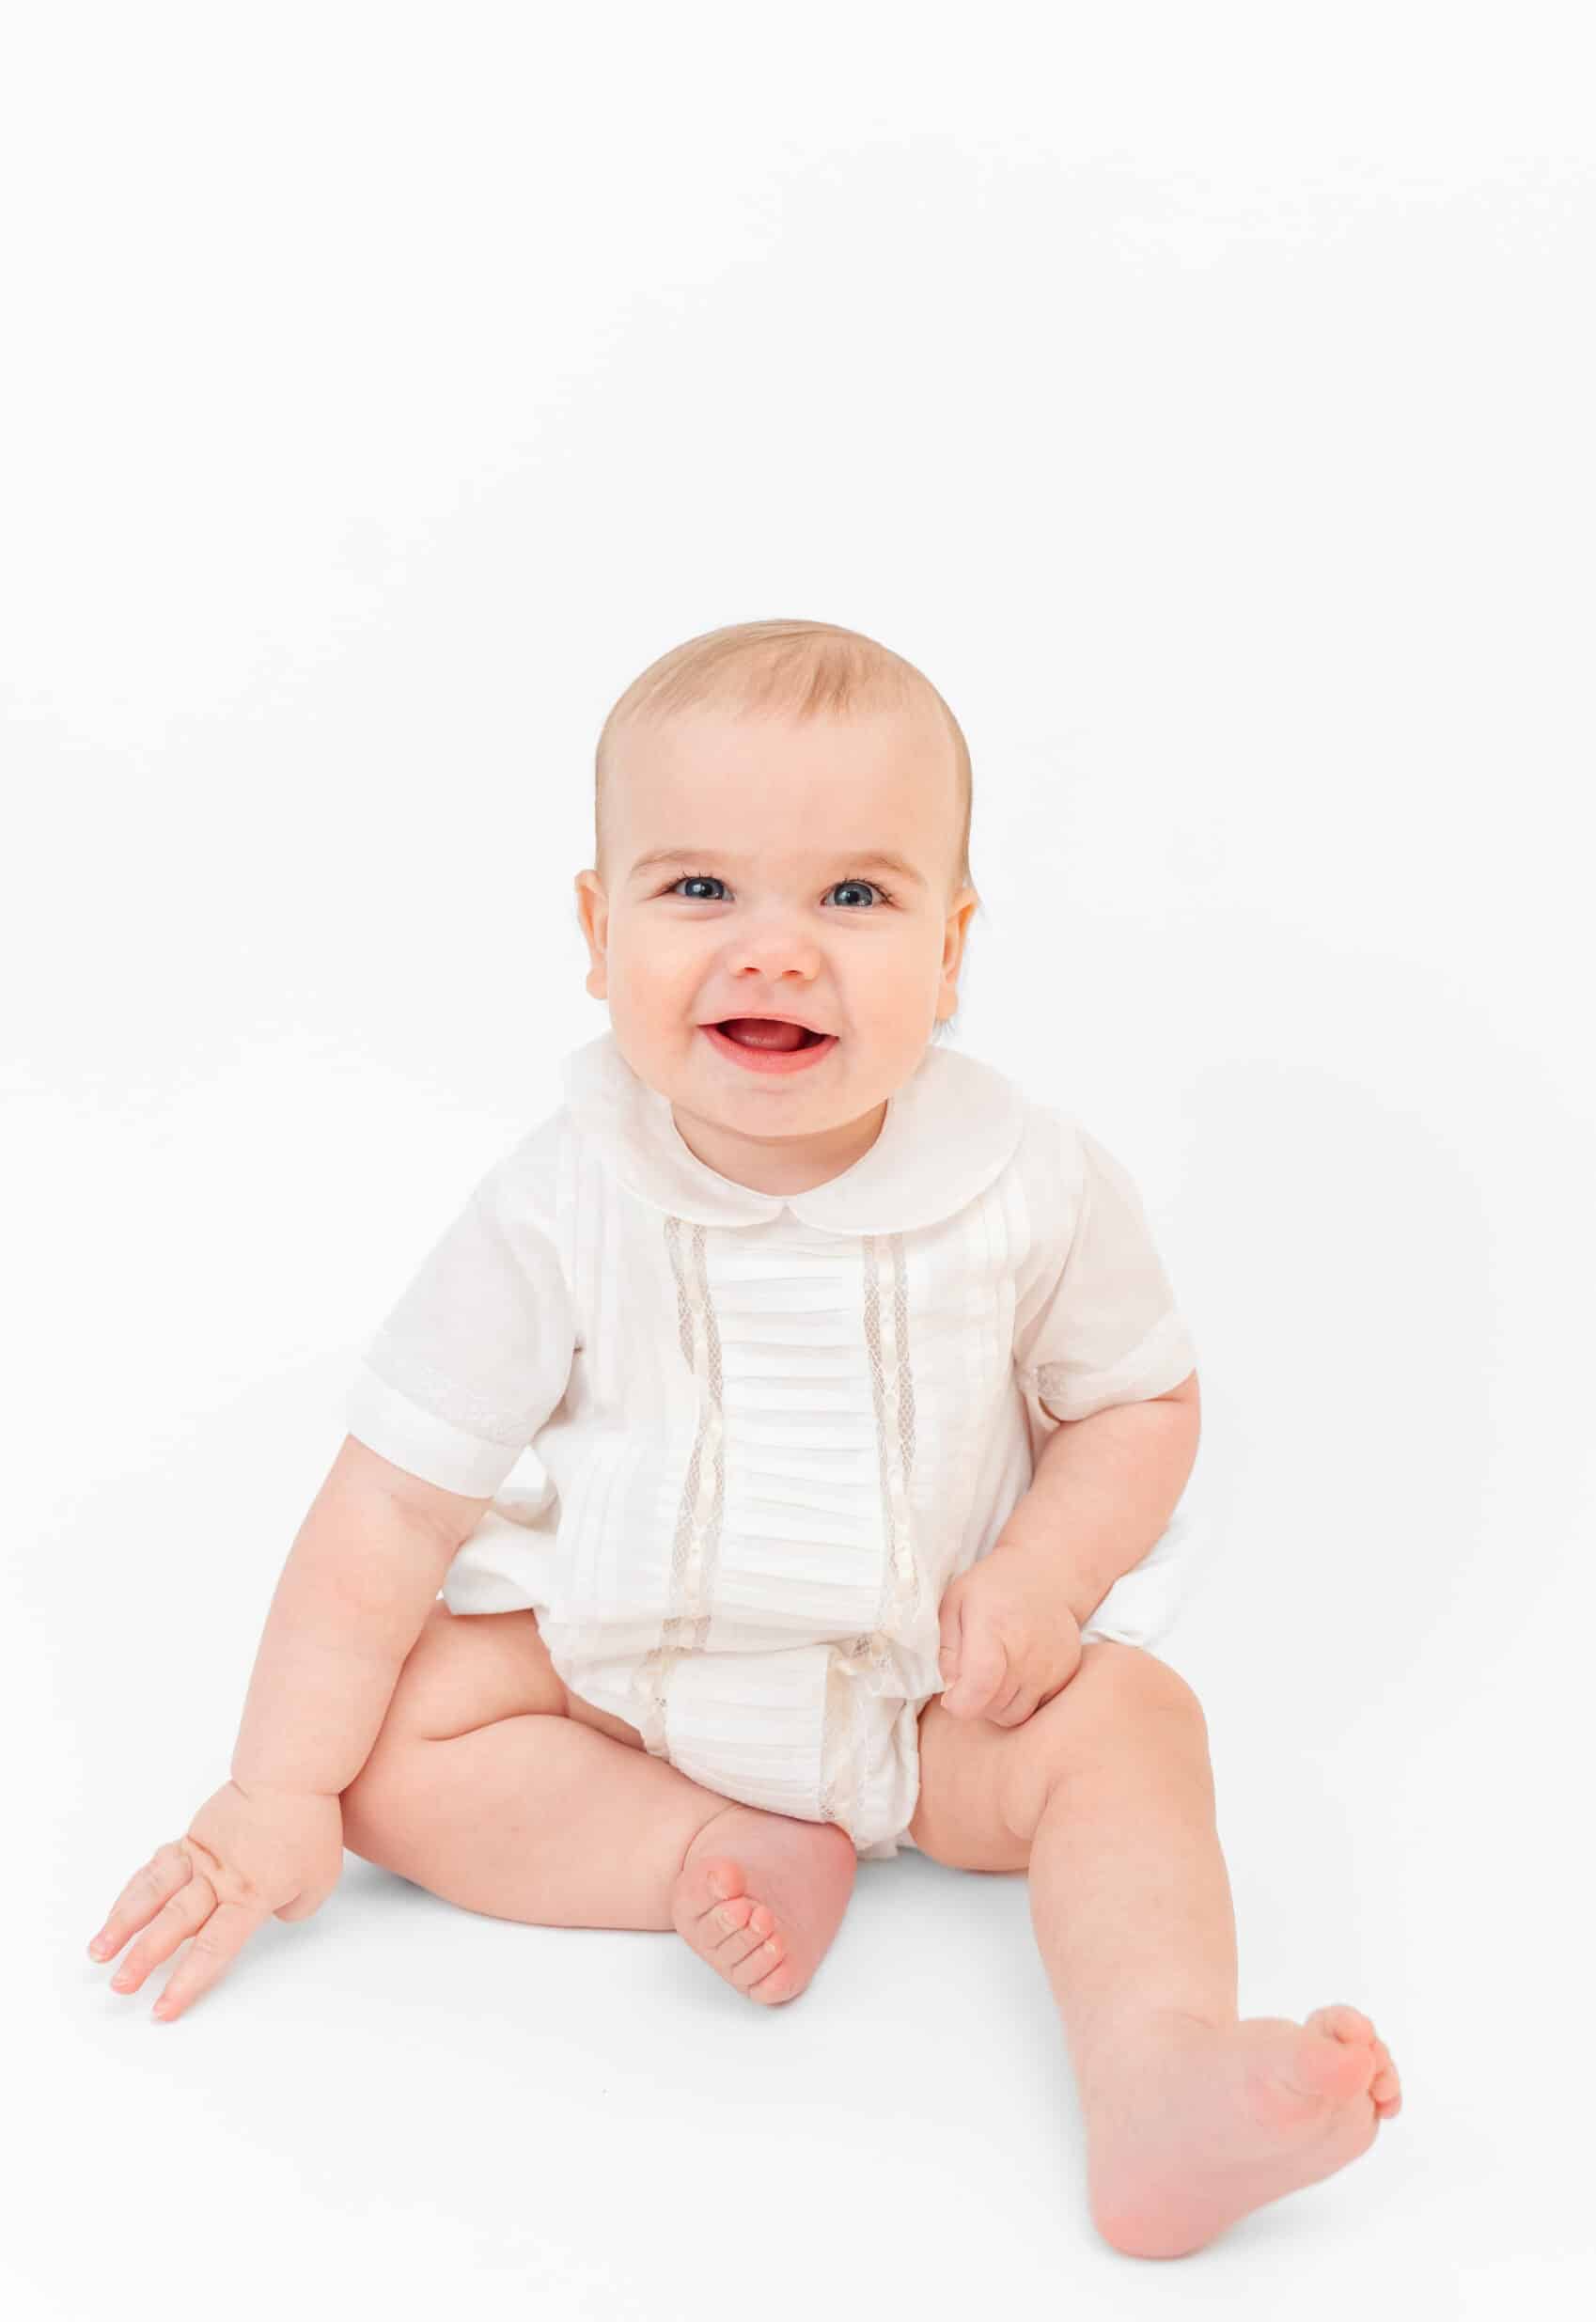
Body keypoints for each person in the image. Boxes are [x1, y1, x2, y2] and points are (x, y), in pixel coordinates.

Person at [86, 618, 1401, 2259]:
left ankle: (1157, 2080)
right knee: (397, 1737)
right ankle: (704, 1847)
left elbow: (1138, 1406)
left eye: (854, 897)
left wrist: (1048, 1579)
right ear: (595, 927)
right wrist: (272, 1791)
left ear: (954, 942)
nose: (775, 952)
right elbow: (388, 1512)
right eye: (700, 890)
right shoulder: (558, 1197)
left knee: (1134, 1728)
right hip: (626, 1687)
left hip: (934, 1702)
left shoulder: (1030, 1183)